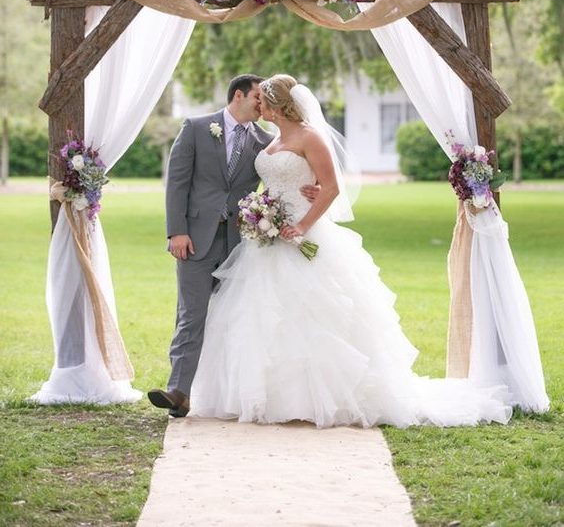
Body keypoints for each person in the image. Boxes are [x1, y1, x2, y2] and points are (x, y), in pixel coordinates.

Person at [188, 74, 513, 428]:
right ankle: (265, 396)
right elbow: (278, 182)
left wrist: (302, 225)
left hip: (303, 233)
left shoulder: (310, 137)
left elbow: (330, 188)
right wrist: (262, 212)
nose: (258, 106)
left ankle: (322, 399)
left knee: (315, 315)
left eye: (262, 101)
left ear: (276, 104)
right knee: (260, 316)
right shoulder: (271, 139)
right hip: (268, 238)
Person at [148, 73, 318, 418]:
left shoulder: (265, 140)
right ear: (238, 95)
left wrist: (311, 187)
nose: (263, 103)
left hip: (243, 245)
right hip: (195, 239)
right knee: (191, 314)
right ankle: (178, 391)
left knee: (236, 319)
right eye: (258, 96)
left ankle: (230, 393)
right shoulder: (196, 127)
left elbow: (291, 169)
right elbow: (177, 183)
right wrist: (176, 231)